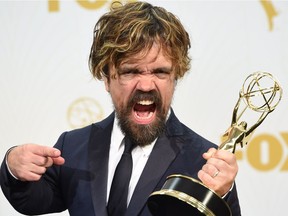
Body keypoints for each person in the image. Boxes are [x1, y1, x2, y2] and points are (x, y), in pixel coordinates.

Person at [0, 1, 241, 216]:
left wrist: (221, 195)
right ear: (106, 78)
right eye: (130, 71)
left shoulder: (203, 159)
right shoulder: (72, 146)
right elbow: (34, 202)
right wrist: (13, 166)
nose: (146, 84)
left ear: (175, 77)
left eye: (160, 72)